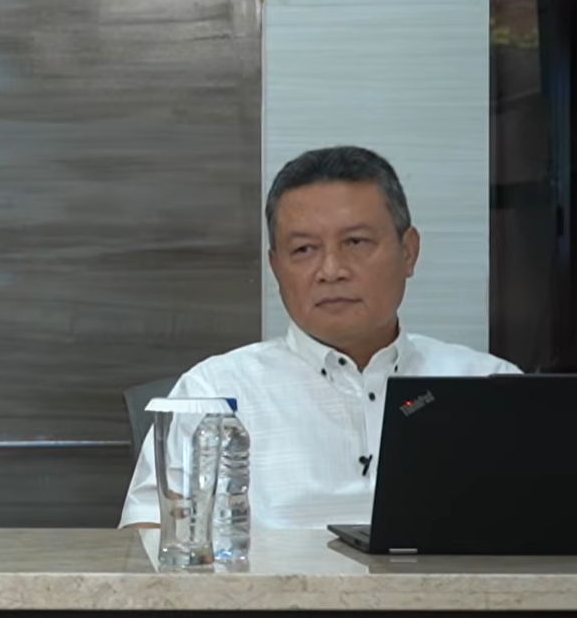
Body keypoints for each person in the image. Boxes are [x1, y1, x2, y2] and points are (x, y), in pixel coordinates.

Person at [120, 145, 519, 529]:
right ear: (276, 267)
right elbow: (148, 541)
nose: (331, 270)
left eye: (356, 243)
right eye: (304, 249)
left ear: (408, 251)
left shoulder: (491, 387)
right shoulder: (214, 393)